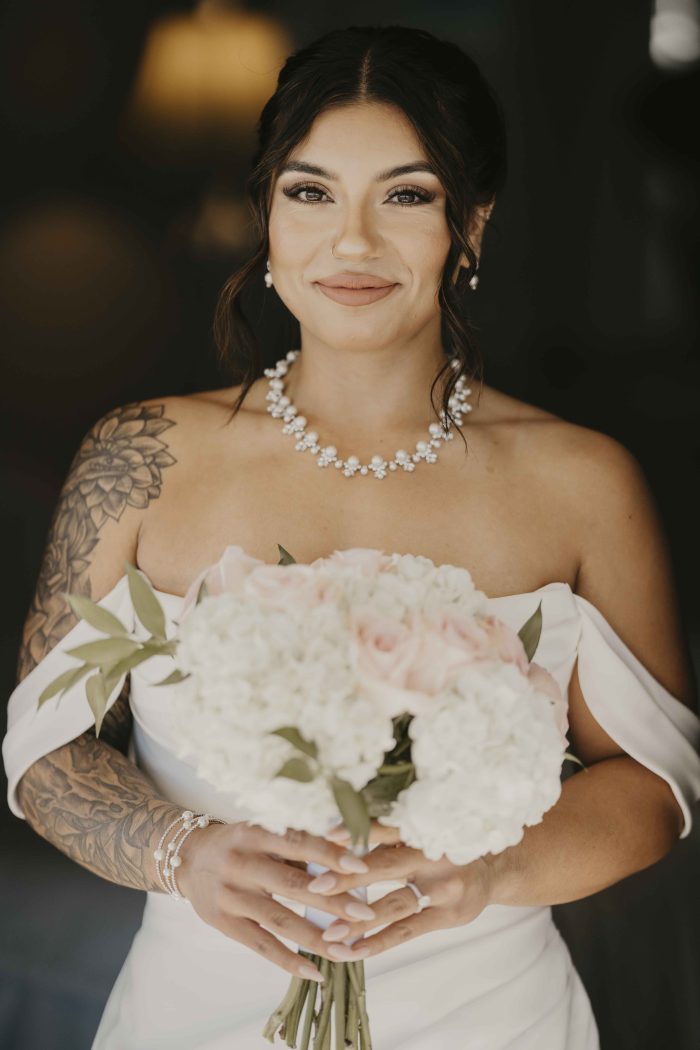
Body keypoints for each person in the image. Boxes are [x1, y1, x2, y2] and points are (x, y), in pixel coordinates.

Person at [4, 23, 700, 1050]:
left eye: (406, 196)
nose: (353, 242)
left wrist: (493, 869)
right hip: (195, 1017)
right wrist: (179, 850)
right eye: (311, 192)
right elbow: (43, 752)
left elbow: (654, 790)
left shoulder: (584, 484)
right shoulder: (141, 458)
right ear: (266, 216)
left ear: (471, 222)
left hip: (492, 1021)